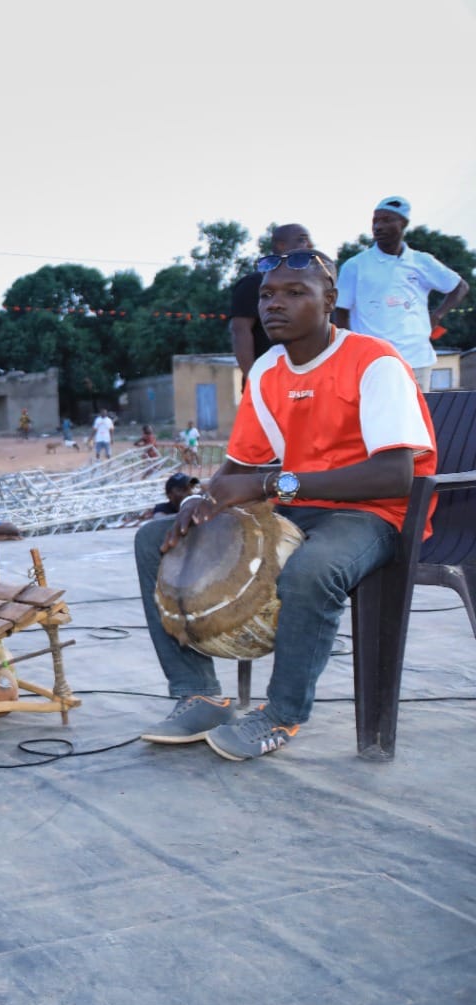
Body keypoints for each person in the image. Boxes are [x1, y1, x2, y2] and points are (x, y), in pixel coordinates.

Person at [135, 250, 435, 761]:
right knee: (154, 539)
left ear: (329, 302)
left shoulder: (374, 361)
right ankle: (198, 693)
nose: (276, 304)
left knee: (312, 569)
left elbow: (395, 475)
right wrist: (200, 501)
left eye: (296, 293)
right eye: (268, 295)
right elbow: (240, 465)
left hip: (377, 514)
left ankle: (282, 714)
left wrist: (272, 487)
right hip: (298, 502)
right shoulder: (270, 369)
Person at [335, 196, 469, 391]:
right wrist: (349, 352)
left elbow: (460, 287)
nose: (378, 227)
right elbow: (340, 312)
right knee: (374, 418)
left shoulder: (421, 261)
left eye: (386, 220)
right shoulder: (355, 265)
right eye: (375, 221)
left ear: (403, 223)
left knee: (417, 418)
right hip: (373, 362)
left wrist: (437, 315)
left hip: (417, 360)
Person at [229, 223, 313, 378]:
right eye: (302, 240)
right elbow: (240, 331)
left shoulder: (312, 285)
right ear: (281, 246)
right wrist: (252, 378)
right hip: (269, 380)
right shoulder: (253, 283)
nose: (310, 245)